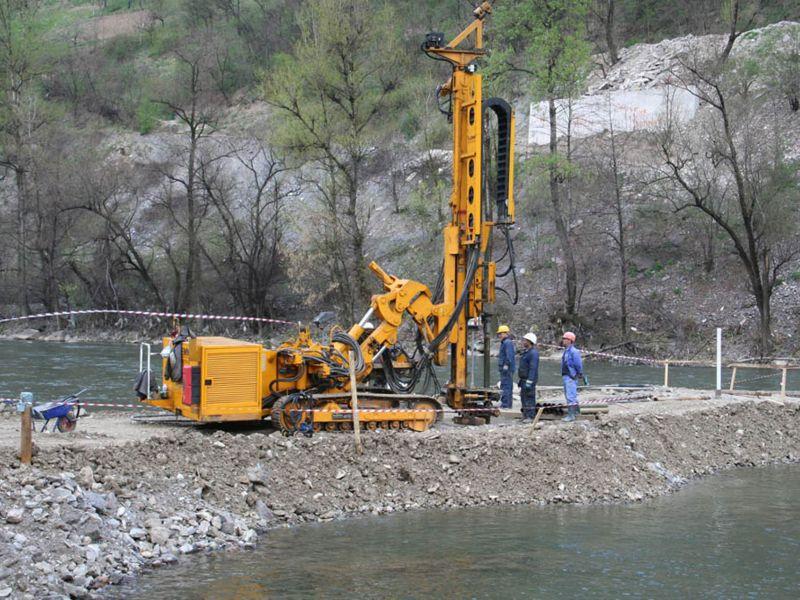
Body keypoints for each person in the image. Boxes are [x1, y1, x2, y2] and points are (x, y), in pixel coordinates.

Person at [560, 331, 583, 422]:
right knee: (569, 394)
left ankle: (571, 415)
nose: (563, 340)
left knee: (570, 396)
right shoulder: (567, 351)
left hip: (571, 376)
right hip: (566, 375)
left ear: (570, 340)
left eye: (565, 339)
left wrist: (579, 373)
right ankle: (576, 412)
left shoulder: (574, 352)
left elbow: (578, 364)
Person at [518, 333, 539, 422]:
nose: (523, 342)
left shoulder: (533, 353)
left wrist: (530, 380)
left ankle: (530, 416)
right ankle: (525, 415)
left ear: (530, 342)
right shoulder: (527, 352)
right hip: (523, 379)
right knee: (523, 397)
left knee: (529, 397)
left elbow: (533, 368)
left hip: (529, 379)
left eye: (525, 340)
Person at [497, 325, 515, 409]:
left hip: (506, 370)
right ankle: (507, 404)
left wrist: (506, 365)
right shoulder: (505, 342)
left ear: (505, 333)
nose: (499, 335)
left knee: (506, 386)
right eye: (499, 334)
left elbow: (509, 356)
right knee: (506, 386)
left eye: (501, 333)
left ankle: (506, 405)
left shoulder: (507, 343)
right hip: (506, 369)